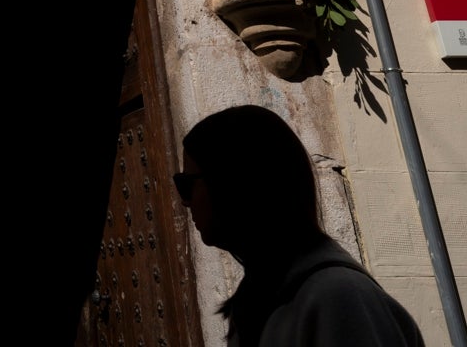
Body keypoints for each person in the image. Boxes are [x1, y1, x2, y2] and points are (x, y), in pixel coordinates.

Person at [175, 104, 426, 347]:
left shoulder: (336, 299)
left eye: (186, 185)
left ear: (232, 184)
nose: (185, 202)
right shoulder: (264, 298)